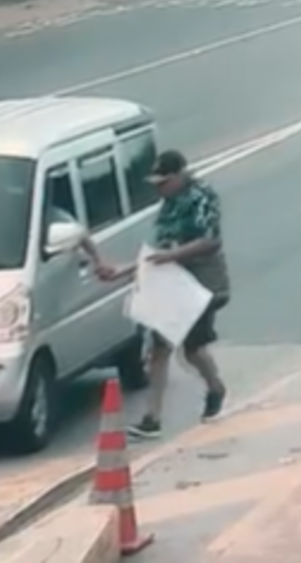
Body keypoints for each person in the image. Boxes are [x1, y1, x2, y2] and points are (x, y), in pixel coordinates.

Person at [95, 149, 230, 439]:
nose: (159, 189)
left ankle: (215, 386)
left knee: (192, 350)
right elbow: (156, 253)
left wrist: (174, 256)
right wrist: (123, 270)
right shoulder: (168, 204)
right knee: (160, 348)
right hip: (171, 283)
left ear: (180, 175)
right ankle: (152, 417)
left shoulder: (202, 197)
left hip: (200, 284)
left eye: (164, 182)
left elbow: (210, 241)